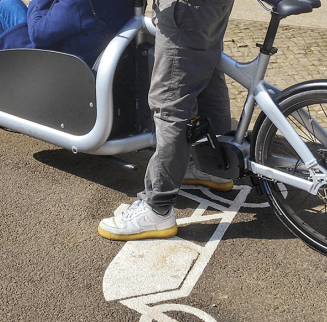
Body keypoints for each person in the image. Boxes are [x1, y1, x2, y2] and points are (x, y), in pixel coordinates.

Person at [98, 0, 235, 241]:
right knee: (208, 75)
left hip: (185, 6)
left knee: (170, 101)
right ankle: (215, 166)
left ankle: (157, 206)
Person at [0, 0, 134, 67]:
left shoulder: (78, 4)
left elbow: (38, 34)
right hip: (84, 50)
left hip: (53, 62)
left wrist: (34, 3)